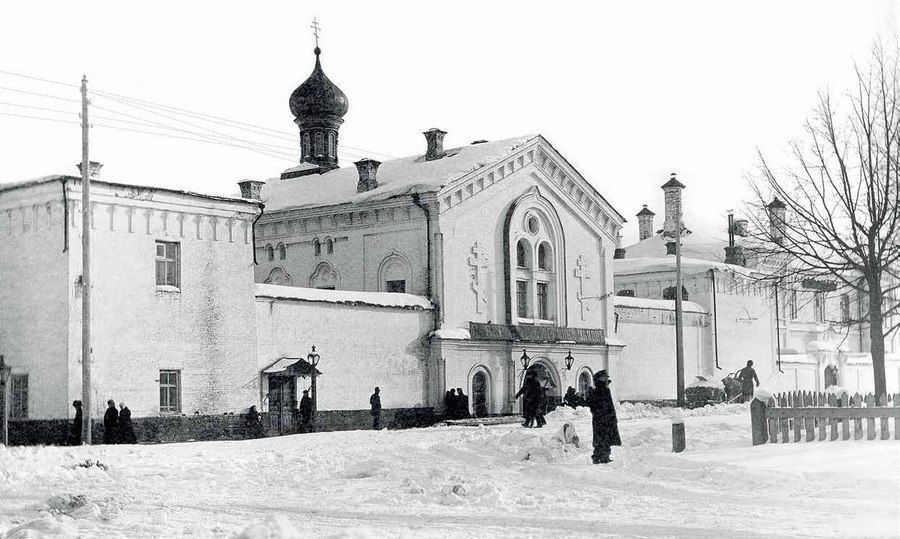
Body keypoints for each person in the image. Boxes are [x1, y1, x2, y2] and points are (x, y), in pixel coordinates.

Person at [586, 370, 621, 464]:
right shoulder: (603, 389)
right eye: (605, 377)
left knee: (600, 438)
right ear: (600, 378)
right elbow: (604, 405)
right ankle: (602, 457)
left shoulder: (598, 390)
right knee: (605, 437)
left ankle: (599, 457)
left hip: (600, 418)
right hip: (604, 418)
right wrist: (608, 416)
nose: (607, 378)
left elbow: (593, 405)